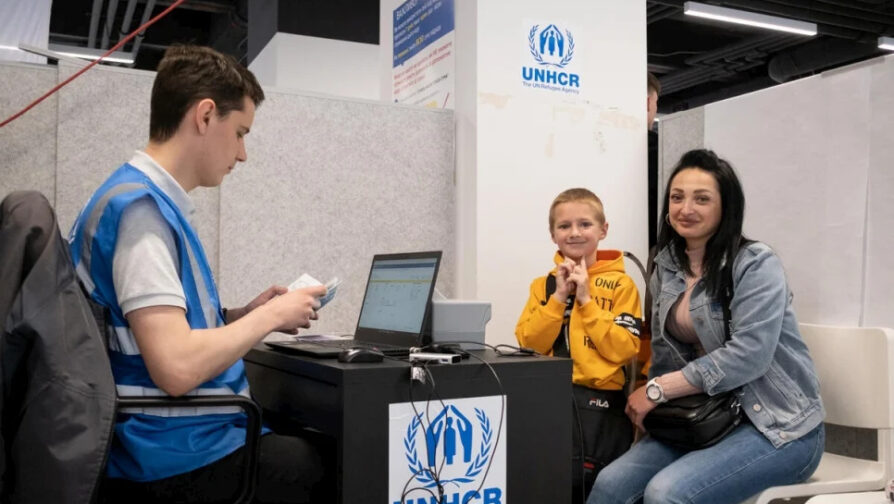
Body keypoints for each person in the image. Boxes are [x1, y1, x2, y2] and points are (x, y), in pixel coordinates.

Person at [69, 45, 330, 503]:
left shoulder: (139, 201)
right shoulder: (140, 215)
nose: (243, 154)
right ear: (206, 116)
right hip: (167, 455)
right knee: (322, 462)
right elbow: (175, 367)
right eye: (240, 133)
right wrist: (269, 319)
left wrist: (240, 314)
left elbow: (155, 330)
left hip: (166, 439)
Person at [588, 149, 825, 504]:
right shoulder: (666, 264)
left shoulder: (756, 264)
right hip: (704, 421)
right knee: (610, 484)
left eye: (702, 199)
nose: (686, 209)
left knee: (666, 494)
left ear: (725, 207)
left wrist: (658, 391)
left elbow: (750, 356)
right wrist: (656, 416)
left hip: (779, 427)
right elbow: (667, 356)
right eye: (677, 197)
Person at [515, 188, 642, 503]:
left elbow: (624, 347)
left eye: (585, 224)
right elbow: (529, 342)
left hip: (601, 408)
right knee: (548, 487)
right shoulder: (543, 285)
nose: (574, 233)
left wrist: (586, 299)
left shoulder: (621, 285)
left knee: (596, 490)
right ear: (553, 235)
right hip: (549, 402)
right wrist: (558, 299)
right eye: (564, 226)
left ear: (603, 230)